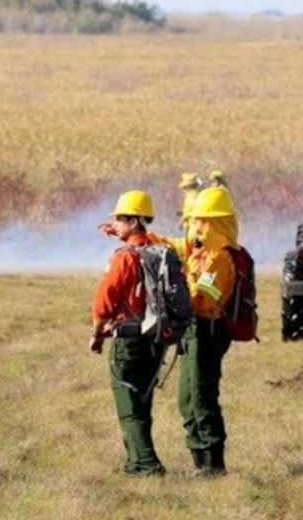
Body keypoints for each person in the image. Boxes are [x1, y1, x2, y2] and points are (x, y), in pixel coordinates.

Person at [90, 190, 168, 477]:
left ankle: (147, 466)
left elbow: (104, 300)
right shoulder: (159, 248)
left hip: (129, 340)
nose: (115, 223)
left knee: (129, 404)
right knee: (143, 401)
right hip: (157, 338)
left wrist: (97, 334)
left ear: (135, 221)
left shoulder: (124, 258)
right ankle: (135, 463)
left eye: (121, 218)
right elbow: (143, 240)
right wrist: (119, 232)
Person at [176, 185, 239, 477]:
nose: (195, 226)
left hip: (207, 331)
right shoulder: (202, 254)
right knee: (187, 397)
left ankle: (213, 464)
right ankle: (199, 459)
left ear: (214, 222)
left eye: (201, 221)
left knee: (202, 396)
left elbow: (206, 297)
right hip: (195, 329)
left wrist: (182, 288)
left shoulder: (219, 258)